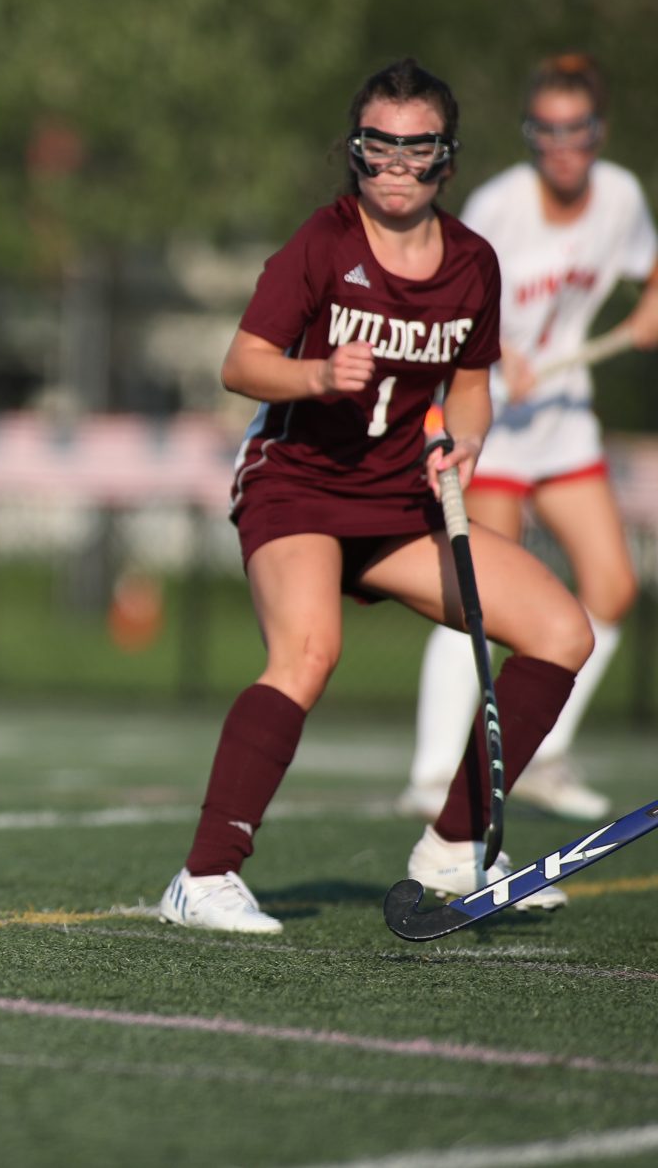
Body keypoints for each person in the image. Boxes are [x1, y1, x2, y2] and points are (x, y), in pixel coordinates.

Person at [158, 59, 594, 933]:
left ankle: (455, 845)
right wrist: (318, 374)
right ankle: (203, 877)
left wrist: (466, 441)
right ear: (356, 151)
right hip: (298, 484)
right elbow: (242, 364)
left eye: (416, 148)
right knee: (308, 653)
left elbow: (470, 386)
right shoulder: (323, 244)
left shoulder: (472, 263)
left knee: (562, 632)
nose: (396, 165)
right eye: (379, 146)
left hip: (400, 503)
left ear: (445, 156)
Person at [400, 54, 658, 822]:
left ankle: (542, 754)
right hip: (493, 418)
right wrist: (497, 346)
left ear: (599, 130)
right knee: (481, 594)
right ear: (529, 133)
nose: (561, 145)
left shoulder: (621, 197)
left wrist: (648, 310)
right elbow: (442, 288)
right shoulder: (500, 205)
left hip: (562, 418)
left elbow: (651, 268)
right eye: (545, 129)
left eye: (576, 128)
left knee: (611, 587)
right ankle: (431, 772)